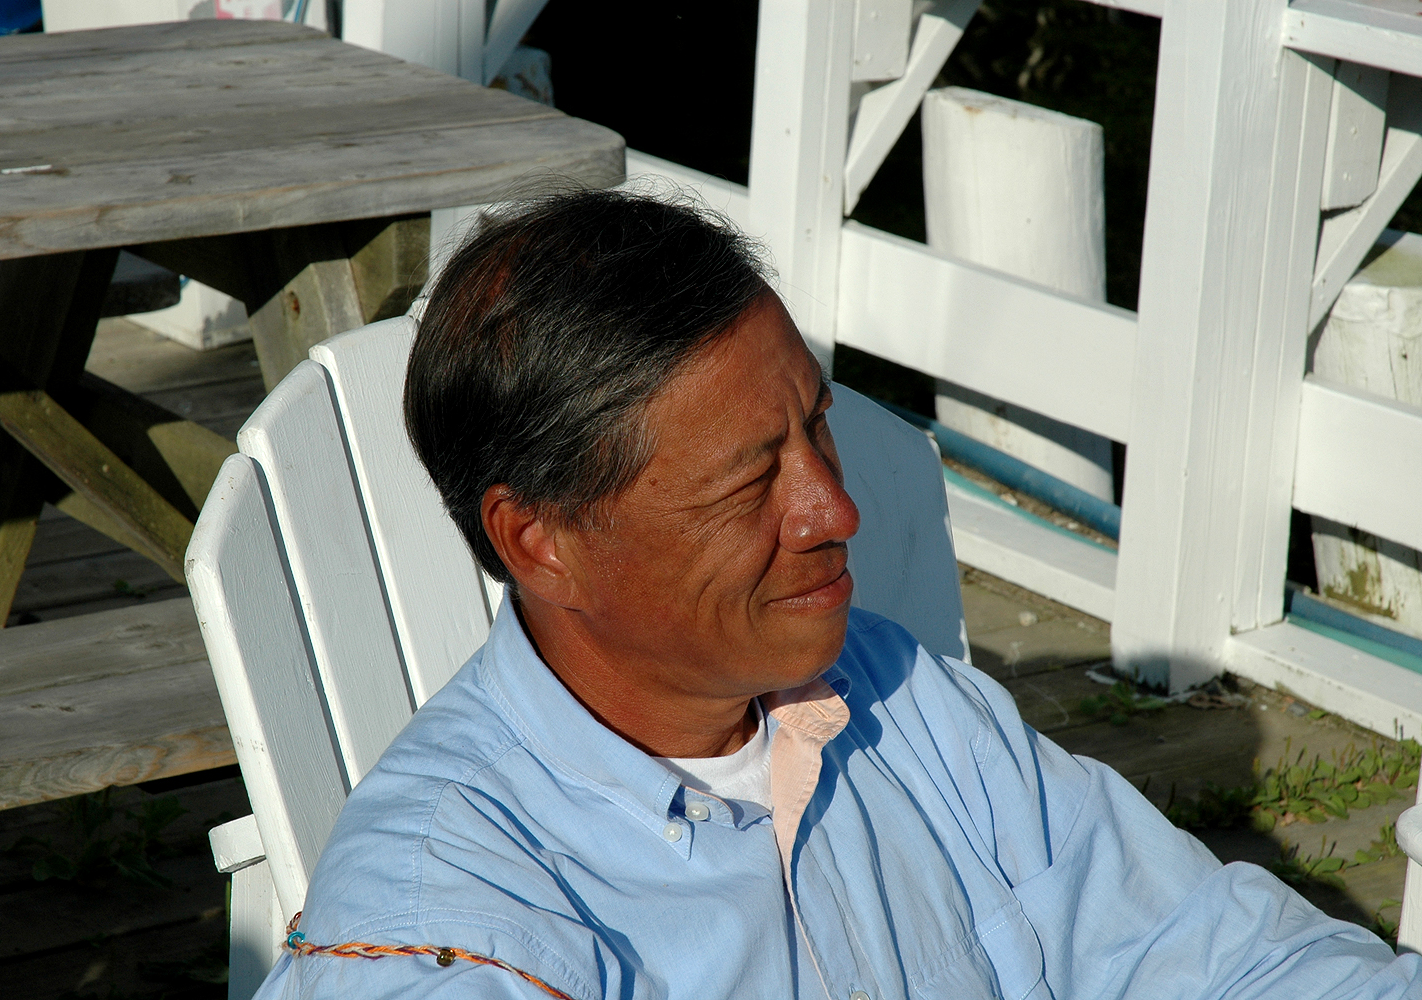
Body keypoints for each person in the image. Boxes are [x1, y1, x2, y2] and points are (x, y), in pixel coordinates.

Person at [254, 189, 1420, 999]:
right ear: (541, 540)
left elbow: (1210, 951)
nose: (833, 508)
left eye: (816, 428)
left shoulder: (901, 701)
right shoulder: (450, 924)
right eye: (750, 478)